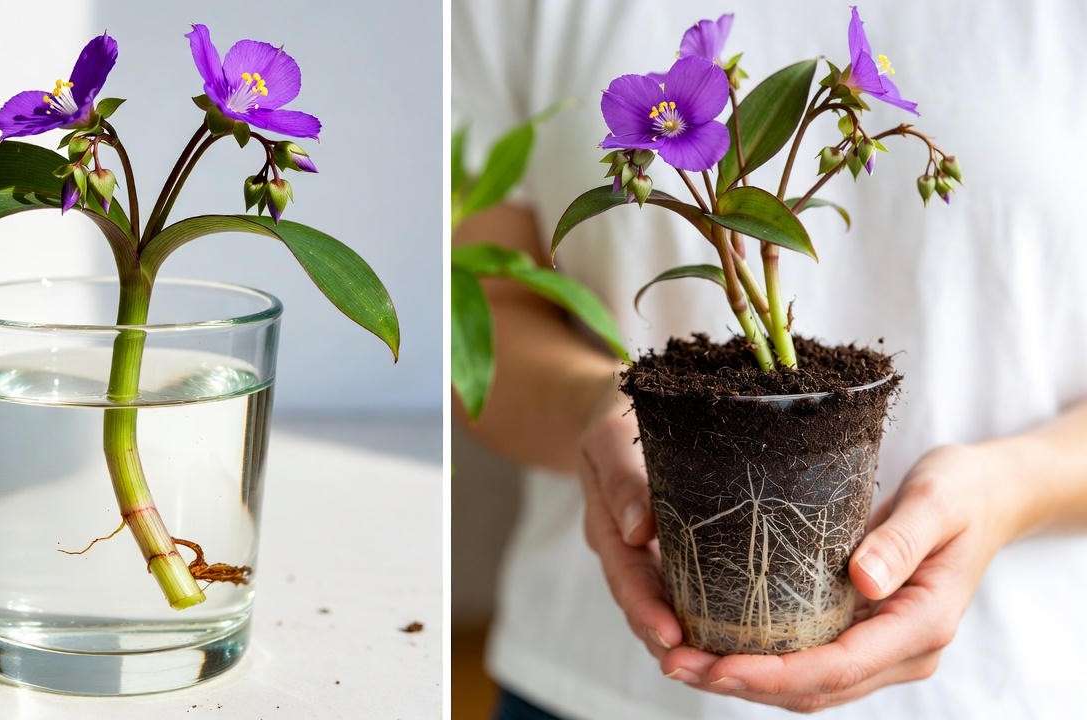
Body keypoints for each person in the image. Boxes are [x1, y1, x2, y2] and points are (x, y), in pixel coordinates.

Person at [452, 1, 1087, 717]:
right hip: (589, 679)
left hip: (1010, 685)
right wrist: (597, 411)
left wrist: (1006, 491)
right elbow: (481, 319)